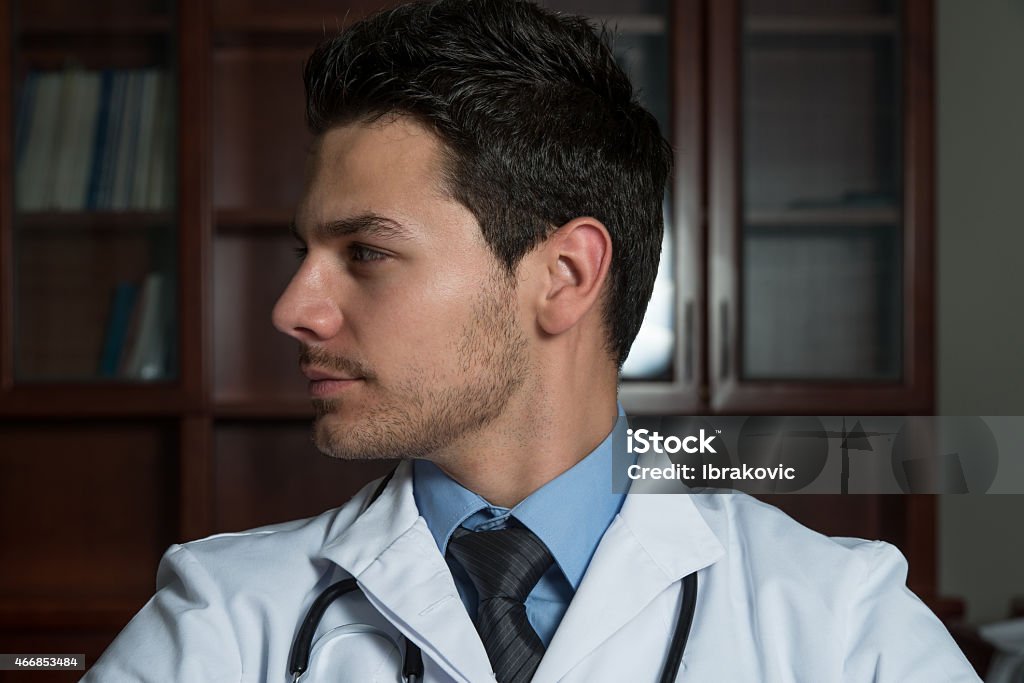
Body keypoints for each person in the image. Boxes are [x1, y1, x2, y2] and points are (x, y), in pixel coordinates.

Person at [85, 0, 980, 681]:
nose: (292, 307)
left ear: (563, 276)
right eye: (305, 251)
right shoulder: (221, 621)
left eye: (365, 251)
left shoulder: (845, 627)